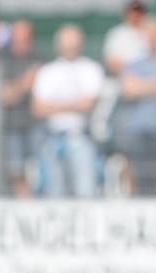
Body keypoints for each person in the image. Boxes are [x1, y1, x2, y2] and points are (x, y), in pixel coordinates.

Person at [32, 24, 105, 198]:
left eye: (73, 42)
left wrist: (54, 106)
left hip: (81, 136)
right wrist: (74, 105)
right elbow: (38, 108)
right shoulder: (48, 71)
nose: (70, 47)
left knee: (85, 189)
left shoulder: (91, 68)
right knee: (53, 191)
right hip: (51, 136)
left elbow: (89, 104)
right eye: (66, 43)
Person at [119, 17, 156, 196]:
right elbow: (129, 90)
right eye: (148, 34)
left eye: (155, 34)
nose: (151, 38)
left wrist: (143, 86)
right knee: (139, 177)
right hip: (138, 129)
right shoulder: (134, 64)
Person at [1, 20, 42, 197]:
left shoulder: (40, 58)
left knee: (41, 170)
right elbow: (5, 96)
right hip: (12, 125)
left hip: (38, 124)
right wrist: (26, 82)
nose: (20, 43)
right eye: (17, 39)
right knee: (15, 169)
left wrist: (16, 87)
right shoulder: (3, 61)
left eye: (24, 39)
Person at [102, 0, 150, 74]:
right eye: (133, 11)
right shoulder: (117, 34)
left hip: (150, 78)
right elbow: (111, 63)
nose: (136, 14)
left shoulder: (151, 32)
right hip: (123, 78)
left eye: (139, 11)